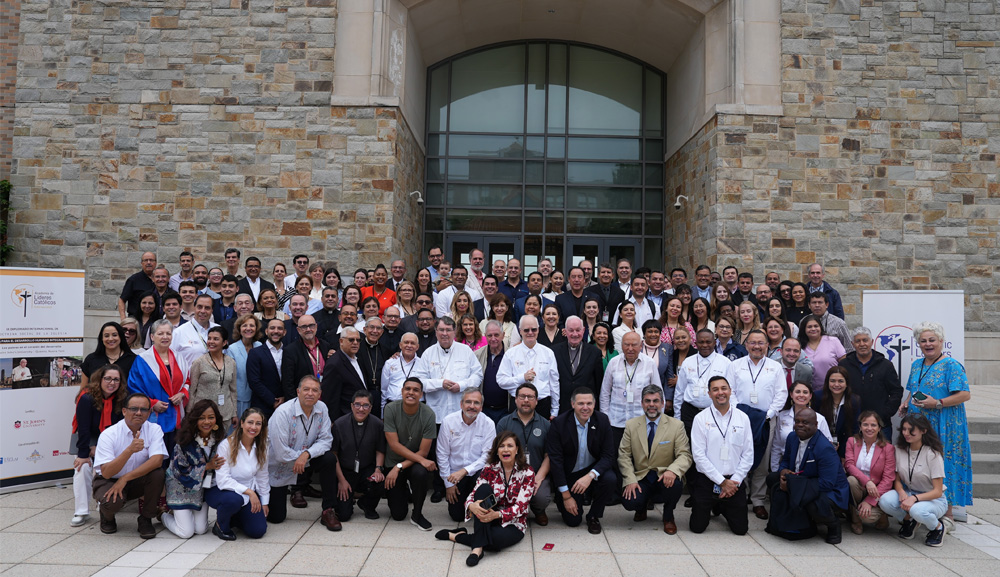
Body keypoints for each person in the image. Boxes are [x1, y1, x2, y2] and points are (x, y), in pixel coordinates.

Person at [899, 321, 972, 515]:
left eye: (932, 340)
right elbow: (913, 389)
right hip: (921, 424)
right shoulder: (917, 365)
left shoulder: (951, 366)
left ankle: (947, 515)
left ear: (941, 341)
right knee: (923, 464)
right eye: (923, 341)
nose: (928, 344)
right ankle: (923, 507)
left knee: (943, 464)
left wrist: (937, 403)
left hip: (945, 424)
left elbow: (965, 395)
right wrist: (906, 403)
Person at [436, 432, 536, 566]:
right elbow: (474, 494)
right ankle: (477, 550)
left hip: (513, 522)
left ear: (517, 449)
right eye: (501, 446)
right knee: (483, 490)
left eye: (510, 446)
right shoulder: (489, 468)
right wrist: (471, 505)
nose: (505, 449)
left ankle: (456, 536)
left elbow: (521, 507)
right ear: (497, 450)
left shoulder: (527, 472)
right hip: (487, 517)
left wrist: (497, 515)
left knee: (496, 541)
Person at [765, 407, 849, 544]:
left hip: (831, 492)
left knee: (812, 502)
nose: (800, 425)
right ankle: (794, 520)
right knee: (772, 479)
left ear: (815, 425)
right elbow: (786, 460)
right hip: (803, 480)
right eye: (797, 421)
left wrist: (794, 486)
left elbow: (827, 483)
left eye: (805, 422)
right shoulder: (792, 437)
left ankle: (833, 524)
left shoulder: (825, 448)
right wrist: (783, 471)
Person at [266, 376, 340, 529]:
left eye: (314, 390)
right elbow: (280, 453)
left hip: (306, 458)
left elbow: (326, 440)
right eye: (306, 389)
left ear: (320, 394)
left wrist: (306, 455)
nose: (310, 393)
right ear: (298, 392)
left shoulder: (322, 408)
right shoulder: (283, 413)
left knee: (329, 459)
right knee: (276, 517)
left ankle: (328, 510)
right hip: (281, 464)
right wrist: (301, 456)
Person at [618, 385, 692, 534]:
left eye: (655, 401)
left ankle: (668, 516)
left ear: (662, 403)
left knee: (676, 484)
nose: (651, 405)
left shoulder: (676, 426)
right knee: (629, 501)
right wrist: (630, 480)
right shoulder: (631, 425)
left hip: (664, 477)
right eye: (647, 401)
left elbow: (685, 455)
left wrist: (672, 470)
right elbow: (624, 454)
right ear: (642, 403)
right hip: (642, 476)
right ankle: (641, 507)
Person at [92, 393, 167, 538]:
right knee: (111, 503)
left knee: (158, 473)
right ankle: (107, 516)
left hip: (135, 479)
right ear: (124, 411)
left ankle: (145, 519)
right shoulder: (109, 434)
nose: (139, 413)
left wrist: (125, 478)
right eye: (134, 409)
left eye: (144, 409)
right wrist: (129, 450)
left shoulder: (154, 429)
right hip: (109, 480)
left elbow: (157, 460)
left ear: (149, 412)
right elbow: (106, 472)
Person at [546, 387, 617, 534]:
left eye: (589, 403)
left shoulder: (602, 420)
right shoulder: (559, 424)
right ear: (572, 404)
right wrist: (566, 497)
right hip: (570, 473)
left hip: (591, 470)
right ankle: (562, 500)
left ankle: (594, 516)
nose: (585, 407)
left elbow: (608, 455)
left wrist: (590, 475)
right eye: (581, 403)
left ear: (594, 404)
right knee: (573, 521)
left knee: (610, 478)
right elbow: (556, 462)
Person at [733, 329, 787, 521]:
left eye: (761, 343)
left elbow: (782, 394)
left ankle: (757, 500)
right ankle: (739, 496)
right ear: (746, 345)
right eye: (753, 342)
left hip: (766, 420)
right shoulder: (735, 365)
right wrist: (737, 413)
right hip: (739, 420)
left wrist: (768, 414)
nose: (756, 346)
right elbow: (729, 391)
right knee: (739, 458)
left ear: (767, 345)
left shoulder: (775, 367)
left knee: (762, 462)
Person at [688, 377, 752, 535]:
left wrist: (734, 482)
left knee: (741, 530)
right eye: (715, 389)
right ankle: (715, 503)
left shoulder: (742, 418)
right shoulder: (701, 418)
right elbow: (699, 456)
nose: (720, 392)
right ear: (709, 394)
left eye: (724, 388)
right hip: (707, 480)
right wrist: (722, 482)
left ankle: (722, 505)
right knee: (697, 528)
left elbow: (748, 454)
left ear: (730, 391)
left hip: (734, 481)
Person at [879, 413, 948, 546]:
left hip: (933, 498)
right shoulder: (899, 449)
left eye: (911, 430)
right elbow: (897, 479)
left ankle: (938, 527)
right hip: (910, 492)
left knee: (917, 510)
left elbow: (937, 491)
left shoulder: (933, 454)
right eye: (904, 429)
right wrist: (901, 492)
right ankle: (909, 519)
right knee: (885, 501)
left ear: (923, 431)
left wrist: (914, 499)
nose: (906, 433)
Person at [71, 364, 126, 527]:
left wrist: (102, 448)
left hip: (110, 441)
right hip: (86, 439)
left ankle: (104, 503)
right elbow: (83, 428)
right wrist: (83, 454)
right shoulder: (87, 397)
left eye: (116, 379)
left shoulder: (122, 398)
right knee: (83, 468)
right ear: (100, 379)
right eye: (108, 378)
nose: (112, 382)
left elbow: (120, 429)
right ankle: (81, 511)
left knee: (104, 469)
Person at [162, 399, 227, 538]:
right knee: (186, 532)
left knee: (201, 529)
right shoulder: (184, 440)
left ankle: (183, 514)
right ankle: (162, 515)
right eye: (202, 418)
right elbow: (180, 470)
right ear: (195, 420)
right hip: (180, 487)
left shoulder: (220, 438)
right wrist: (208, 466)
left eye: (211, 417)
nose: (207, 422)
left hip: (202, 489)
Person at [128, 319, 190, 460]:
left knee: (173, 456)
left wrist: (182, 394)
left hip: (176, 415)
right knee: (154, 458)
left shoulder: (180, 358)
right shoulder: (142, 359)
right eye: (160, 333)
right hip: (153, 416)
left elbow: (187, 381)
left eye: (168, 333)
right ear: (152, 336)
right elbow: (134, 386)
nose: (165, 337)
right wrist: (151, 403)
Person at [383, 377, 438, 530]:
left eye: (416, 390)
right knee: (398, 514)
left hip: (414, 463)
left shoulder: (428, 414)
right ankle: (405, 492)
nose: (411, 393)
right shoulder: (390, 409)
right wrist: (397, 466)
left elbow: (424, 452)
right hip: (394, 461)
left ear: (421, 394)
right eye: (407, 389)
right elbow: (394, 445)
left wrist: (400, 466)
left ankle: (417, 514)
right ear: (401, 392)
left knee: (421, 473)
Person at [207, 408, 269, 540]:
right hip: (220, 490)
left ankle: (234, 517)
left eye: (258, 424)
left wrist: (264, 502)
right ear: (242, 423)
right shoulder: (226, 445)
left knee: (257, 531)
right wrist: (250, 492)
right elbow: (223, 480)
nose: (253, 427)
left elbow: (262, 476)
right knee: (234, 500)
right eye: (250, 422)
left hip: (247, 492)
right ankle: (220, 526)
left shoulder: (262, 446)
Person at [496, 383, 553, 525]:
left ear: (536, 401)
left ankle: (538, 510)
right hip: (510, 472)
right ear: (515, 399)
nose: (526, 400)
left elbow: (549, 455)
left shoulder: (546, 425)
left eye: (530, 397)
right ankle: (512, 510)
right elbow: (499, 453)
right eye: (522, 396)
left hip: (536, 473)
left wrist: (538, 477)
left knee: (541, 497)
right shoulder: (504, 423)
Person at [437, 389, 497, 522]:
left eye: (476, 403)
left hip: (477, 473)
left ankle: (480, 505)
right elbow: (442, 454)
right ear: (461, 404)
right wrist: (448, 485)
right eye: (468, 402)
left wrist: (465, 471)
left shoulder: (488, 424)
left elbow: (487, 456)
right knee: (457, 516)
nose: (472, 406)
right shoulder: (448, 422)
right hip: (454, 475)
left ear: (481, 407)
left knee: (485, 484)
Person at [416, 317, 485, 425]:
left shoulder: (465, 351)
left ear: (454, 332)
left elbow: (478, 376)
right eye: (441, 330)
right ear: (436, 332)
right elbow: (419, 382)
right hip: (436, 415)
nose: (445, 333)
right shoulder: (428, 353)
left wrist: (461, 385)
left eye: (448, 330)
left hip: (461, 414)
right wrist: (440, 384)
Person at [839, 327, 902, 439]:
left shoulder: (885, 365)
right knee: (854, 456)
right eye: (858, 341)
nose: (862, 344)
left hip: (881, 425)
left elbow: (896, 391)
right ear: (853, 344)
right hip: (852, 424)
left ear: (872, 342)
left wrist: (884, 414)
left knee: (883, 456)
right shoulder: (844, 365)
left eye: (865, 340)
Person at [332, 390, 386, 521]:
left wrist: (378, 469)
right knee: (344, 516)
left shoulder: (377, 424)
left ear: (371, 407)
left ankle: (367, 505)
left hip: (366, 469)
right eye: (357, 405)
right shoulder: (339, 424)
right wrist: (341, 480)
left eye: (365, 405)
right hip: (345, 471)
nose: (361, 409)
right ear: (351, 406)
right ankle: (346, 502)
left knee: (379, 480)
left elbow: (380, 450)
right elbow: (334, 454)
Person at [496, 315, 560, 419]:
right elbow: (501, 381)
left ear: (538, 330)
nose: (530, 333)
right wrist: (522, 378)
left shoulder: (548, 353)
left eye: (533, 329)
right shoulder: (510, 354)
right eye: (526, 330)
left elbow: (554, 383)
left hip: (542, 405)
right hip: (518, 405)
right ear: (520, 331)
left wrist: (555, 409)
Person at [844, 411, 895, 534]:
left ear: (879, 428)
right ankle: (855, 519)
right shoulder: (852, 441)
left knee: (867, 517)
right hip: (858, 486)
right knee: (850, 481)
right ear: (860, 427)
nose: (869, 428)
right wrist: (867, 482)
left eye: (873, 425)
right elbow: (849, 465)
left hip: (877, 490)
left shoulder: (888, 448)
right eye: (865, 424)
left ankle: (881, 514)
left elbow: (888, 479)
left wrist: (870, 501)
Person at [771, 381, 834, 472]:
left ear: (810, 396)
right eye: (798, 392)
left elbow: (828, 444)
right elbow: (776, 445)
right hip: (786, 464)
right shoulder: (782, 416)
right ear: (791, 394)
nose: (801, 395)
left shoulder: (819, 419)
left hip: (811, 465)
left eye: (805, 392)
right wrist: (776, 470)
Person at [189, 326, 239, 429]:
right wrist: (189, 413)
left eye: (216, 339)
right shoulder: (199, 362)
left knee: (221, 443)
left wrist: (234, 413)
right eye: (209, 338)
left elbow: (233, 390)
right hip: (203, 414)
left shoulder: (231, 362)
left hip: (225, 414)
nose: (211, 342)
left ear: (224, 342)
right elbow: (192, 390)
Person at [553, 316, 604, 415]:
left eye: (578, 330)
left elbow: (599, 383)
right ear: (565, 331)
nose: (575, 334)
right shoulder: (554, 351)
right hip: (562, 406)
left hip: (586, 408)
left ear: (583, 330)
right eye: (571, 330)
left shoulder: (594, 352)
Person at [321, 327, 375, 420]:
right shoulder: (334, 364)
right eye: (351, 340)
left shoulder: (358, 359)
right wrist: (334, 422)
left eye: (358, 340)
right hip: (345, 419)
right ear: (341, 341)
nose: (355, 343)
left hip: (360, 415)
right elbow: (330, 398)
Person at [279, 314, 329, 400]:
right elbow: (288, 383)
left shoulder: (325, 346)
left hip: (325, 399)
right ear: (298, 330)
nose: (308, 329)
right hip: (303, 402)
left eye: (311, 326)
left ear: (316, 326)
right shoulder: (290, 351)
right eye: (304, 327)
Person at [814, 366, 860, 458]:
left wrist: (844, 455)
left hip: (844, 444)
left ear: (847, 383)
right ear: (827, 382)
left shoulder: (854, 400)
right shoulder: (818, 397)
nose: (836, 384)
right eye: (832, 381)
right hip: (820, 444)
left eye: (841, 381)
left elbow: (854, 430)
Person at [81, 322, 136, 392]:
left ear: (121, 337)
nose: (110, 339)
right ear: (101, 339)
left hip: (124, 401)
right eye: (106, 336)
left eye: (114, 335)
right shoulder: (91, 359)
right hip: (95, 402)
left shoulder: (133, 360)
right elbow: (83, 390)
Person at [247, 318, 286, 418]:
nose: (276, 331)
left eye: (280, 328)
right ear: (266, 331)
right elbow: (254, 381)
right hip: (262, 407)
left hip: (285, 406)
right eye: (272, 328)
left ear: (284, 332)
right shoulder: (255, 353)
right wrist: (273, 401)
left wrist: (284, 398)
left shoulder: (290, 352)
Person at [226, 314, 262, 417]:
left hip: (257, 398)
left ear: (256, 328)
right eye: (244, 325)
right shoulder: (231, 349)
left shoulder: (260, 346)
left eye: (252, 325)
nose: (248, 328)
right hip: (238, 398)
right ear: (239, 329)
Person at [799, 314, 846, 393]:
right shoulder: (800, 346)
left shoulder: (833, 341)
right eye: (809, 327)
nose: (813, 329)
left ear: (820, 327)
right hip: (809, 391)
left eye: (816, 326)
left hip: (834, 389)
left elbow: (844, 363)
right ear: (804, 329)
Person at [171, 294, 219, 368]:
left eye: (207, 308)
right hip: (189, 378)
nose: (203, 311)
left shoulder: (219, 330)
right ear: (194, 308)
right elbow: (171, 359)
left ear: (212, 310)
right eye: (199, 307)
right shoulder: (179, 332)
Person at [119, 252, 157, 320]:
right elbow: (122, 300)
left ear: (155, 263)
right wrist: (123, 318)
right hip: (136, 320)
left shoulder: (159, 280)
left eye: (151, 260)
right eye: (145, 260)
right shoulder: (133, 280)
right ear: (141, 263)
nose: (148, 262)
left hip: (154, 319)